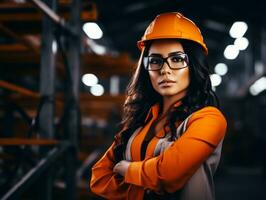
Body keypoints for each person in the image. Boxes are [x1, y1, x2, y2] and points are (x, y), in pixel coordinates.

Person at [90, 12, 227, 200]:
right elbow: (99, 178)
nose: (165, 69)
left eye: (177, 59)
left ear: (193, 65)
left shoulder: (209, 120)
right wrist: (143, 186)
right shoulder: (138, 123)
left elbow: (168, 175)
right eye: (155, 61)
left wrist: (126, 168)